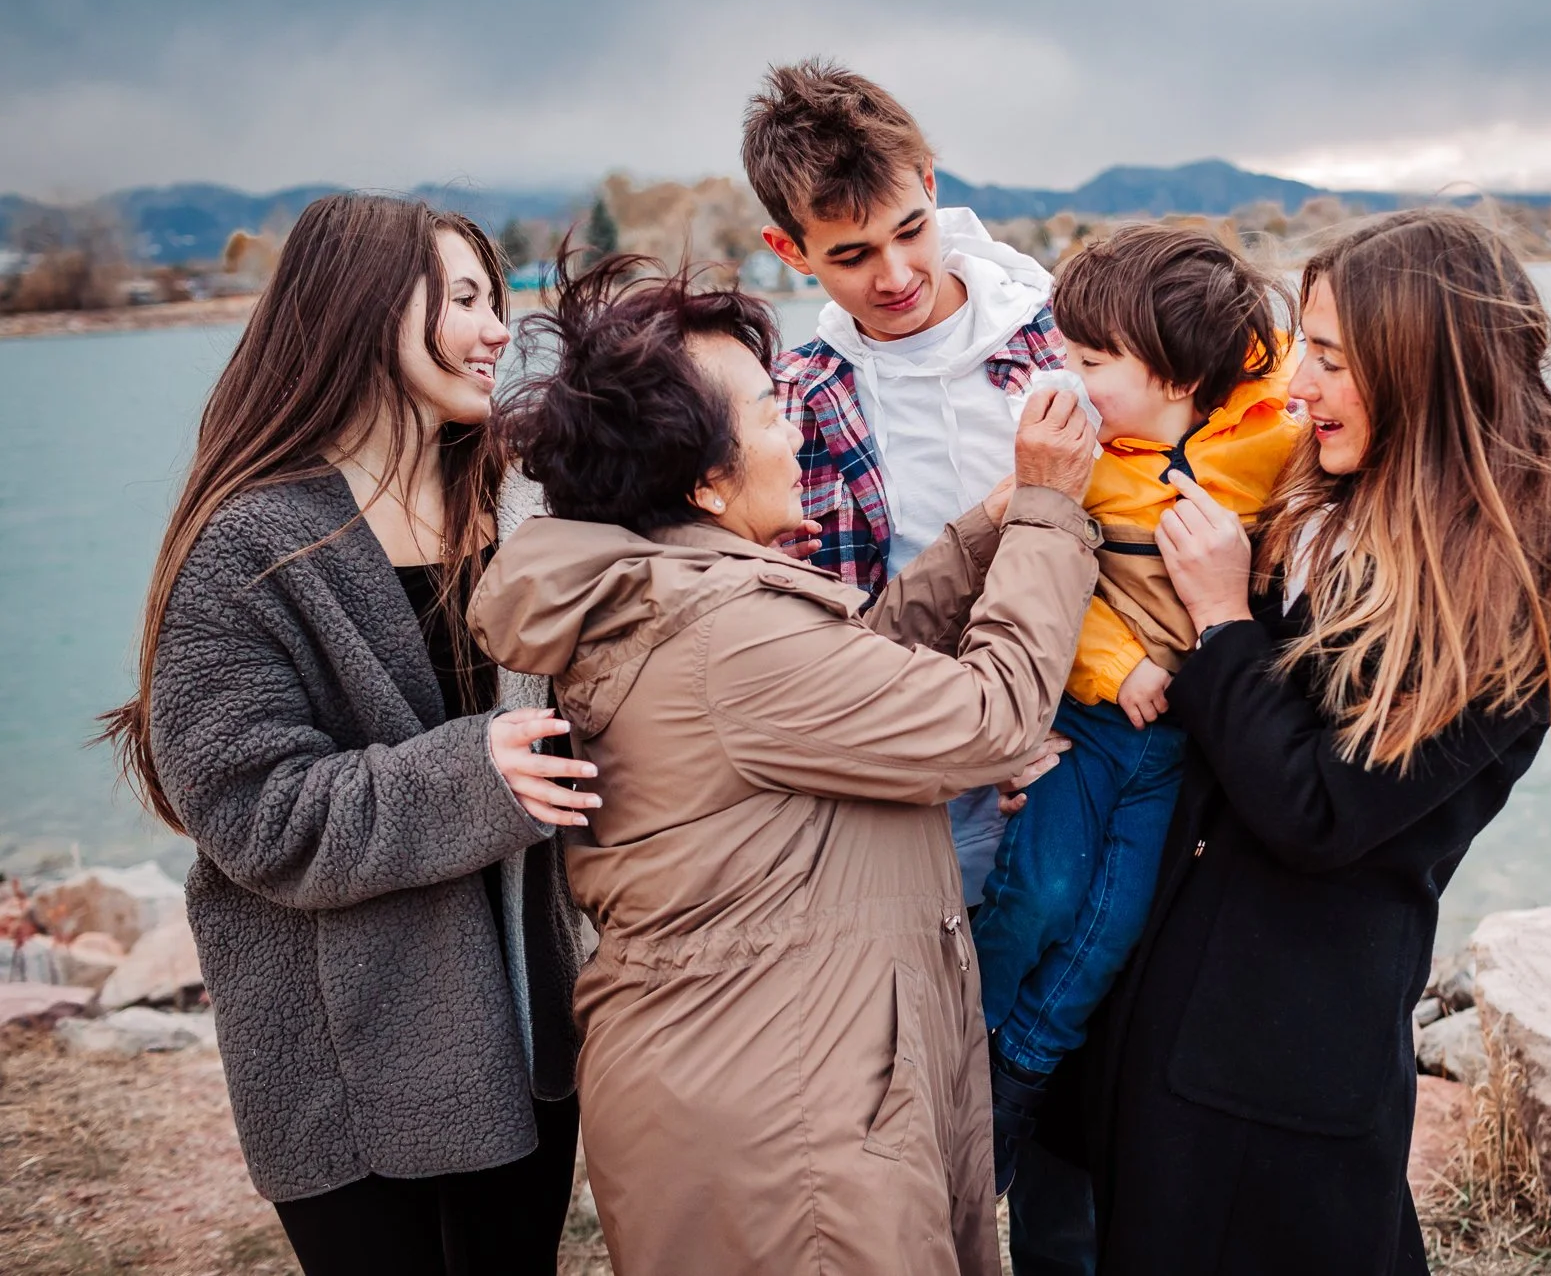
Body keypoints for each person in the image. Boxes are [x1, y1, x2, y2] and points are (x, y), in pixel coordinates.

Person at [466, 251, 1101, 1276]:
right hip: (786, 1126)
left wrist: (985, 526)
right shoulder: (722, 638)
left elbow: (857, 680)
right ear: (707, 481)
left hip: (777, 1078)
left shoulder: (674, 589)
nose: (794, 426)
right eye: (768, 413)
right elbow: (987, 720)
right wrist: (1047, 512)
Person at [1085, 208, 1551, 1273]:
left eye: (1327, 358)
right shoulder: (1326, 510)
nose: (1295, 386)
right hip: (1181, 1018)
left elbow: (1319, 811)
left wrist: (1222, 618)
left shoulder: (1504, 595)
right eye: (1301, 351)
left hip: (1285, 1058)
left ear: (1421, 369)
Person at [101, 193, 593, 1275]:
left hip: (523, 1020)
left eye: (494, 298)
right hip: (352, 1056)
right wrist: (474, 776)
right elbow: (250, 812)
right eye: (465, 297)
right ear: (366, 310)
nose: (498, 329)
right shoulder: (247, 545)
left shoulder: (514, 505)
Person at [971, 225, 1299, 1195]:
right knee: (1038, 892)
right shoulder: (1082, 456)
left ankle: (1016, 1082)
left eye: (1088, 360)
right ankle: (960, 1051)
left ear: (1173, 372)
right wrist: (1116, 670)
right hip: (1098, 722)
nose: (1064, 377)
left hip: (1189, 743)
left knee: (1111, 922)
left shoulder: (1278, 439)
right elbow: (1048, 582)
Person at [742, 58, 1069, 900]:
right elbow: (819, 641)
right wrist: (978, 742)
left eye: (911, 230)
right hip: (914, 810)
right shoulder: (792, 402)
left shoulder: (1068, 336)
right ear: (790, 250)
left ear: (930, 184)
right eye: (851, 255)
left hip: (1094, 756)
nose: (894, 275)